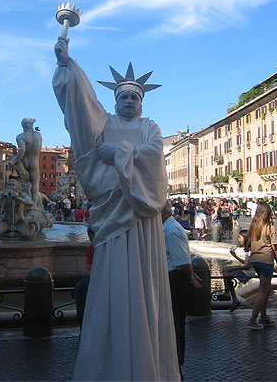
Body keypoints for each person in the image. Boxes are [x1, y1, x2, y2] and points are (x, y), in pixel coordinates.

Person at [53, 36, 180, 381]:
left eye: (133, 97)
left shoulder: (150, 128)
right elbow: (82, 109)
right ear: (116, 100)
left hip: (140, 218)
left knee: (144, 285)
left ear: (141, 102)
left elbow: (155, 161)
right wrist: (68, 66)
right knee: (111, 289)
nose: (128, 101)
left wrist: (120, 154)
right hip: (113, 216)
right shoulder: (104, 124)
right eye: (123, 96)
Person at [161, 201, 201, 372]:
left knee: (176, 325)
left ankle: (176, 362)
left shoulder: (171, 231)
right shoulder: (168, 228)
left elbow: (183, 263)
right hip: (173, 279)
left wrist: (191, 277)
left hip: (175, 281)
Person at [247, 202, 277, 330]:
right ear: (267, 213)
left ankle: (264, 316)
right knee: (263, 290)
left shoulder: (253, 227)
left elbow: (247, 244)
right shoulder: (270, 228)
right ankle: (253, 320)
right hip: (266, 260)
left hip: (255, 260)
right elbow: (275, 250)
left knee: (267, 288)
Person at [10, 118, 42, 206]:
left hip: (24, 161)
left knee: (24, 183)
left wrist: (14, 160)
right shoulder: (38, 136)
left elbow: (22, 151)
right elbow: (39, 149)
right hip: (34, 161)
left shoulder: (21, 136)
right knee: (35, 184)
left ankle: (24, 204)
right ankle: (34, 205)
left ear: (23, 125)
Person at [220, 229, 254, 311]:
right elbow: (245, 262)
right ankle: (231, 295)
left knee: (226, 270)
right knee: (226, 271)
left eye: (240, 237)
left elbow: (247, 266)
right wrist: (235, 256)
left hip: (247, 273)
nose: (238, 239)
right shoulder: (247, 250)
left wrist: (233, 268)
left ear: (245, 238)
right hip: (246, 270)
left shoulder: (250, 250)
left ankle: (228, 293)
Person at [73, 227, 95, 329]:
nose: (91, 240)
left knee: (79, 289)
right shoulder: (91, 248)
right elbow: (88, 270)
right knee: (79, 289)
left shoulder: (94, 247)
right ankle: (83, 325)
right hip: (97, 278)